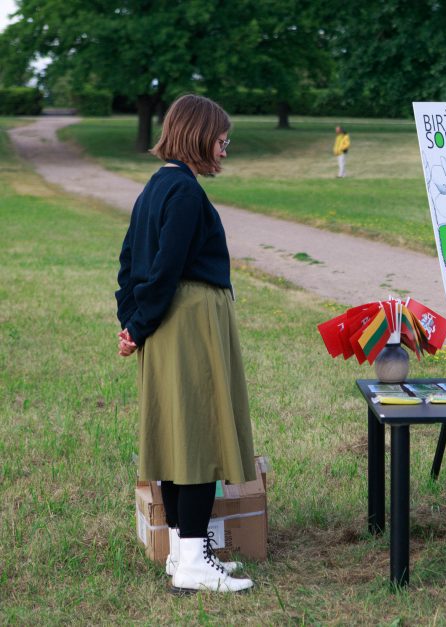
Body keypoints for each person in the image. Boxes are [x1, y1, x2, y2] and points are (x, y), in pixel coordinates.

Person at [115, 94, 256, 594]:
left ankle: (182, 553)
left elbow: (129, 263)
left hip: (165, 325)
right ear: (198, 137)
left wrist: (131, 323)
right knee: (197, 435)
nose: (225, 149)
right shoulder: (185, 192)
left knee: (178, 436)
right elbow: (163, 270)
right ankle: (194, 560)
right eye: (221, 140)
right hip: (189, 322)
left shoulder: (155, 187)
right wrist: (139, 321)